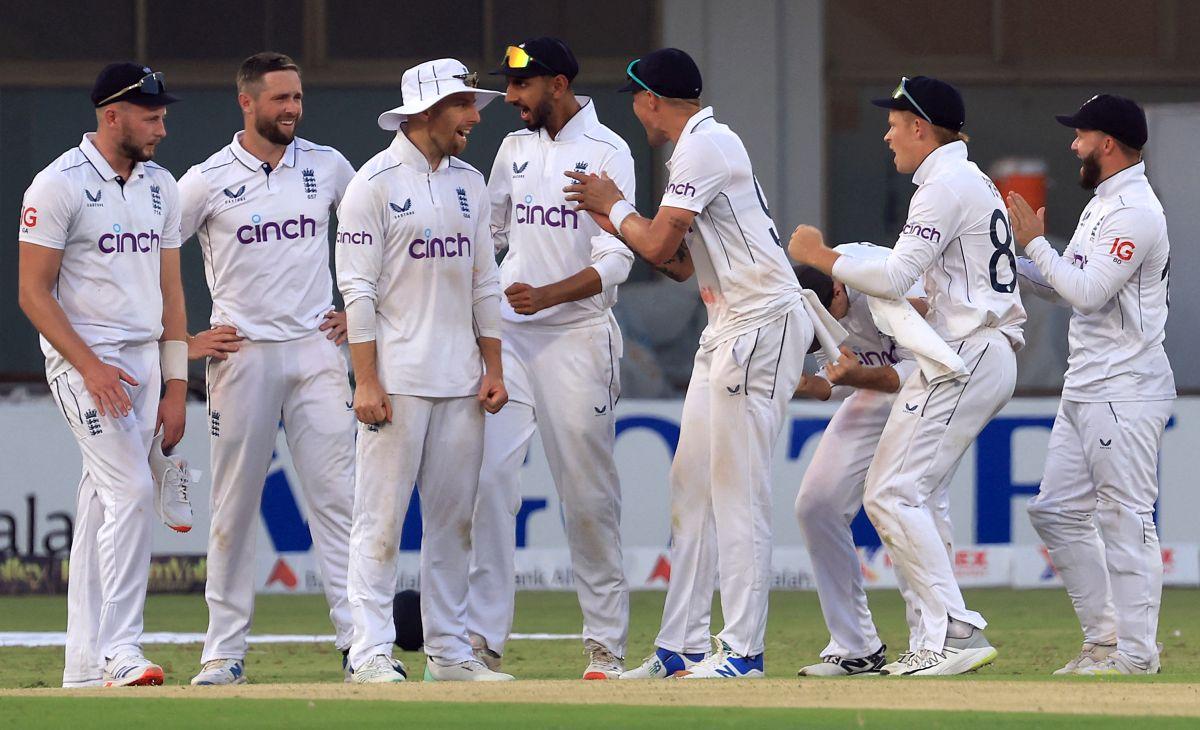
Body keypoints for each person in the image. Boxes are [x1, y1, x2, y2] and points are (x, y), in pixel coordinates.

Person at [567, 48, 819, 680]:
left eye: (635, 98)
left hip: (759, 324)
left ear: (651, 99)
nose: (634, 109)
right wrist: (615, 218)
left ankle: (744, 652)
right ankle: (681, 647)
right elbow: (676, 262)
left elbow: (655, 241)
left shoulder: (707, 145)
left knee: (738, 493)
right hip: (729, 324)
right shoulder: (697, 149)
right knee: (693, 487)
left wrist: (617, 205)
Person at [790, 75, 1026, 676]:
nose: (887, 135)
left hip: (965, 351)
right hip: (968, 351)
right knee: (901, 492)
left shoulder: (944, 185)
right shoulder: (962, 181)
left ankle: (950, 633)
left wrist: (817, 254)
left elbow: (895, 281)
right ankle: (932, 637)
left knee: (896, 491)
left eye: (894, 124)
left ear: (921, 126)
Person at [177, 51, 358, 685]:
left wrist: (360, 315)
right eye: (279, 98)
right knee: (232, 508)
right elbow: (149, 250)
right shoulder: (204, 179)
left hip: (316, 353)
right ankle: (222, 654)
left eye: (298, 98)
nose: (292, 109)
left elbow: (376, 230)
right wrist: (184, 342)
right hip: (242, 356)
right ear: (246, 103)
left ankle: (361, 647)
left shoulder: (328, 164)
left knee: (340, 504)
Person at [465, 36, 635, 680]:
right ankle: (481, 640)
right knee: (488, 485)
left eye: (520, 87)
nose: (509, 98)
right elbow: (493, 234)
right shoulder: (512, 149)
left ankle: (605, 644)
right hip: (511, 338)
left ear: (557, 85)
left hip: (577, 339)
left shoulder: (608, 151)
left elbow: (617, 259)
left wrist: (547, 296)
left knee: (587, 496)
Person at [337, 58, 510, 683]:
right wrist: (366, 379)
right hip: (398, 382)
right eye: (464, 105)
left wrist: (492, 367)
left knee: (453, 525)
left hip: (463, 382)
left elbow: (484, 282)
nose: (473, 117)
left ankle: (449, 654)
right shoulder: (373, 184)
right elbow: (355, 290)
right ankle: (370, 653)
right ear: (425, 112)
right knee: (378, 524)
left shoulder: (470, 181)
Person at [18, 62, 186, 687]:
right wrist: (90, 368)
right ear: (112, 115)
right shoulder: (56, 185)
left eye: (163, 114)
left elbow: (172, 291)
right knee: (131, 493)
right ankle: (122, 650)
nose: (161, 127)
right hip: (85, 361)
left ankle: (84, 664)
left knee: (99, 504)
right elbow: (33, 294)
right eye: (151, 115)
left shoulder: (161, 186)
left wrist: (176, 385)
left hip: (145, 360)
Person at [1008, 94, 1174, 676]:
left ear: (1106, 142)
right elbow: (1065, 284)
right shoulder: (1103, 205)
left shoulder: (1134, 211)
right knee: (1055, 511)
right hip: (1088, 385)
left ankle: (1136, 654)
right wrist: (1012, 260)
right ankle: (1105, 642)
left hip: (1124, 386)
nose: (1073, 145)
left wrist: (1033, 244)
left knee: (1126, 517)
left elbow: (1085, 292)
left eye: (1080, 136)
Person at [790, 243, 942, 677]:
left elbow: (925, 367)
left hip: (934, 392)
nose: (831, 325)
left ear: (840, 285)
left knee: (912, 504)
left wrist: (852, 377)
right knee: (816, 505)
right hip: (875, 393)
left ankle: (935, 641)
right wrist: (802, 382)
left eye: (832, 311)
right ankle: (855, 647)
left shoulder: (878, 279)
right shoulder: (809, 299)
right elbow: (833, 380)